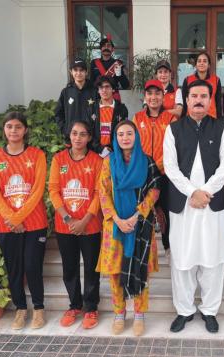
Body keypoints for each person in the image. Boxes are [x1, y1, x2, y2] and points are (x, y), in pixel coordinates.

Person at [164, 79, 224, 334]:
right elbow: (170, 167)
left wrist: (205, 192)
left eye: (204, 96)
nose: (198, 100)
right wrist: (192, 192)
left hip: (211, 204)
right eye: (194, 95)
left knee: (213, 259)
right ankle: (184, 310)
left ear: (210, 99)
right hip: (183, 204)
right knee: (182, 259)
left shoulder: (222, 128)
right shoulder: (173, 129)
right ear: (186, 98)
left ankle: (209, 310)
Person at [96, 120, 161, 336]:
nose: (125, 138)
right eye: (121, 134)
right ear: (115, 138)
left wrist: (136, 215)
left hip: (140, 225)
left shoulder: (147, 161)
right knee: (115, 272)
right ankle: (119, 312)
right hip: (114, 227)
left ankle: (140, 314)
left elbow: (154, 191)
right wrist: (116, 218)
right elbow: (103, 192)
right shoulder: (109, 162)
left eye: (129, 133)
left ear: (136, 136)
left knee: (140, 270)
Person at [0, 111, 48, 330]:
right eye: (10, 126)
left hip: (34, 223)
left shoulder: (37, 155)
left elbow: (38, 189)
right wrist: (12, 218)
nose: (14, 130)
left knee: (32, 266)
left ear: (25, 130)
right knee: (14, 269)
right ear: (4, 129)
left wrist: (18, 217)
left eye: (18, 127)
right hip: (6, 225)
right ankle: (21, 309)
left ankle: (39, 309)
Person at [48, 120, 103, 330]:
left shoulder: (97, 161)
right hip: (66, 227)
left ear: (89, 137)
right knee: (69, 268)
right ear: (69, 136)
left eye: (82, 134)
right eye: (74, 133)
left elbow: (99, 193)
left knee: (91, 269)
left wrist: (85, 220)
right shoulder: (58, 159)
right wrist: (68, 219)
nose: (78, 138)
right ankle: (74, 305)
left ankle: (90, 307)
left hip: (90, 225)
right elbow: (53, 190)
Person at [133, 79, 176, 253]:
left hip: (164, 173)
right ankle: (144, 250)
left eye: (157, 93)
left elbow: (173, 148)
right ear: (145, 96)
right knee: (143, 211)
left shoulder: (171, 118)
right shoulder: (137, 117)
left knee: (165, 211)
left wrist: (156, 166)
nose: (153, 97)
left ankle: (168, 248)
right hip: (142, 174)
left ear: (163, 96)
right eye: (149, 93)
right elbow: (133, 145)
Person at [55, 57, 97, 142]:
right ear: (71, 72)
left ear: (86, 72)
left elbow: (99, 113)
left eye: (81, 70)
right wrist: (65, 130)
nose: (78, 73)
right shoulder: (66, 92)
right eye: (75, 70)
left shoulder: (94, 91)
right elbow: (58, 114)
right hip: (72, 137)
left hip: (90, 138)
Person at [92, 76, 128, 157]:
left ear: (113, 89)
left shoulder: (122, 109)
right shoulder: (91, 108)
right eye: (101, 87)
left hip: (115, 152)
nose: (104, 90)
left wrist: (111, 148)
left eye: (107, 87)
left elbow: (123, 132)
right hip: (95, 152)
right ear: (98, 90)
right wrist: (100, 148)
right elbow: (88, 132)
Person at [181, 52, 222, 119]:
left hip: (211, 118)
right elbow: (184, 103)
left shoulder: (216, 80)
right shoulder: (188, 80)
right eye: (199, 61)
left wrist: (220, 121)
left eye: (205, 61)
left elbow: (218, 104)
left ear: (209, 65)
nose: (202, 63)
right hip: (191, 118)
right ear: (196, 65)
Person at [89, 35, 130, 101]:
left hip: (113, 97)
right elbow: (91, 83)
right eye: (104, 46)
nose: (106, 48)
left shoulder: (117, 64)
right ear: (101, 49)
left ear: (113, 49)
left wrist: (120, 75)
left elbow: (125, 85)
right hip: (98, 97)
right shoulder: (94, 63)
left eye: (108, 46)